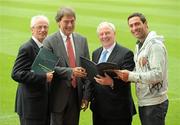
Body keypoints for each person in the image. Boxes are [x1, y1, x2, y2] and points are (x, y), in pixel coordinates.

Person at [115, 12, 169, 125]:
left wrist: (130, 76)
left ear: (145, 24)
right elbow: (142, 71)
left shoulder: (154, 46)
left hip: (154, 103)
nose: (134, 28)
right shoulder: (141, 44)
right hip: (146, 102)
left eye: (137, 24)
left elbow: (158, 74)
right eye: (131, 25)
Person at [43, 7, 91, 125]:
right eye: (66, 21)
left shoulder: (82, 40)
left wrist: (86, 95)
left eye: (72, 21)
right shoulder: (49, 41)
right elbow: (46, 67)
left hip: (76, 97)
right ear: (58, 22)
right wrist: (71, 72)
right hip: (57, 98)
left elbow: (88, 70)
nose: (70, 25)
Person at [89, 21, 136, 125]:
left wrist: (111, 82)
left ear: (114, 34)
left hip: (118, 111)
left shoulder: (126, 54)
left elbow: (129, 79)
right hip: (98, 110)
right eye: (101, 34)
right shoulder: (96, 53)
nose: (104, 36)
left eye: (107, 33)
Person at [11, 15, 53, 125]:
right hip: (30, 107)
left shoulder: (47, 47)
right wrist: (44, 77)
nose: (43, 30)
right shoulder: (26, 48)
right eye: (39, 27)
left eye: (45, 27)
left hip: (44, 106)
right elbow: (16, 74)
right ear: (32, 29)